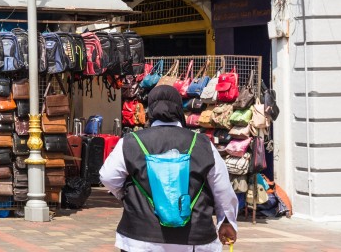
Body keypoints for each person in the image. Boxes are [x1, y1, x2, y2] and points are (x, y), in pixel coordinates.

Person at [100, 85, 239, 252]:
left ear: (150, 109)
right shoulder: (202, 143)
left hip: (140, 239)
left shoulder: (131, 141)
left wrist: (124, 195)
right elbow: (222, 189)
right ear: (179, 109)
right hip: (194, 239)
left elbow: (108, 177)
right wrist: (227, 222)